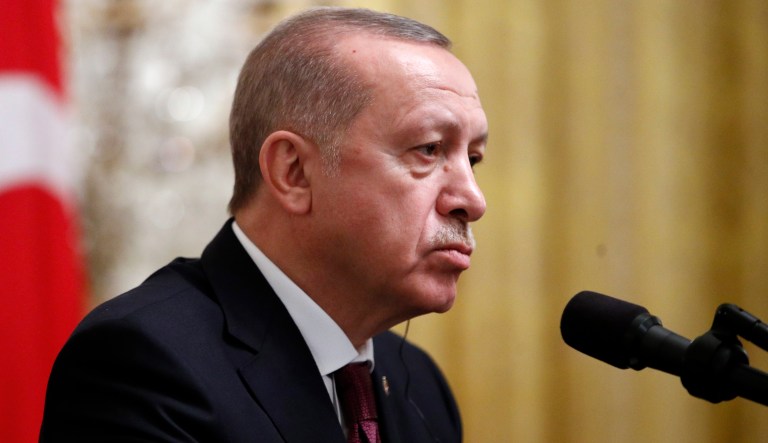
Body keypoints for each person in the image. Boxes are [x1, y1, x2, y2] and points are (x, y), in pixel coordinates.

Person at [40, 6, 487, 442]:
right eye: (428, 149)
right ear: (293, 172)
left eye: (472, 159)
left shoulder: (422, 387)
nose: (472, 199)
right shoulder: (143, 364)